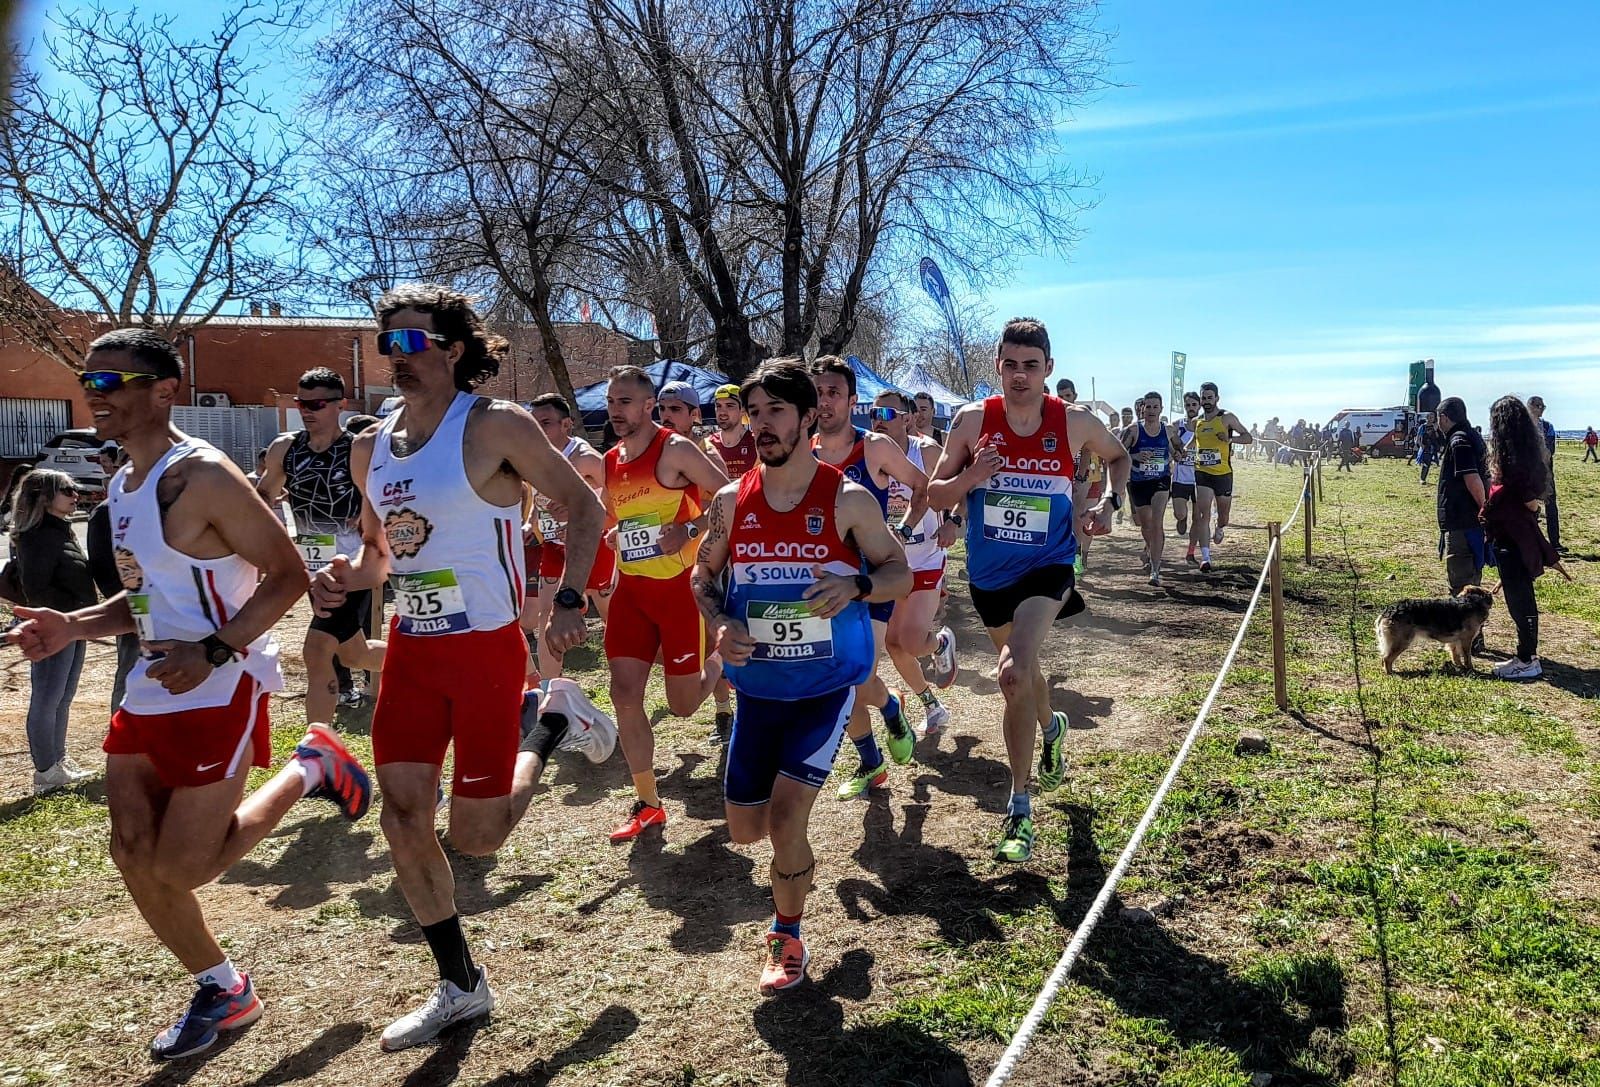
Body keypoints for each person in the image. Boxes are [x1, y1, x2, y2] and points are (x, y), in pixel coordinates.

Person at [7, 327, 372, 1060]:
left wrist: (213, 650)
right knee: (129, 849)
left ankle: (313, 765)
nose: (93, 395)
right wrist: (70, 625)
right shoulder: (120, 485)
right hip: (151, 686)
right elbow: (143, 604)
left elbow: (287, 575)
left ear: (164, 390)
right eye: (89, 380)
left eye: (111, 383)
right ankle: (223, 986)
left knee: (184, 866)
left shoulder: (201, 475)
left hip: (221, 682)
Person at [310, 285, 611, 1050]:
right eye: (388, 346)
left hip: (483, 646)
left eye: (412, 344)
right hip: (413, 647)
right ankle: (460, 984)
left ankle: (550, 721)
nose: (396, 360)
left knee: (477, 839)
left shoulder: (495, 425)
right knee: (403, 813)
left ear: (451, 348)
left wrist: (570, 593)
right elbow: (382, 557)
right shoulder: (369, 445)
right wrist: (348, 577)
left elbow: (584, 506)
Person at [691, 359, 910, 992]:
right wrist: (717, 624)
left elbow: (898, 571)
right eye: (753, 413)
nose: (761, 425)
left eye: (775, 412)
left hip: (825, 687)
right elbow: (703, 577)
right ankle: (794, 883)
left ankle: (786, 936)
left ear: (809, 417)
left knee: (787, 820)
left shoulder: (847, 499)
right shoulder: (732, 503)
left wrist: (857, 584)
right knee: (745, 828)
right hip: (757, 689)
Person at [928, 317, 1128, 863]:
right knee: (1025, 673)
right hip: (991, 575)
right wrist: (973, 476)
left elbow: (1119, 458)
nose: (1020, 376)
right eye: (1011, 365)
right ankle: (1051, 724)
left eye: (1031, 366)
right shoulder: (973, 421)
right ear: (998, 366)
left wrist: (1108, 504)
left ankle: (1019, 807)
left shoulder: (1074, 421)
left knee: (1013, 672)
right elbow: (935, 490)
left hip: (1050, 563)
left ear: (1048, 370)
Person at [601, 365, 729, 841]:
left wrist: (691, 531)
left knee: (682, 706)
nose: (616, 410)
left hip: (678, 590)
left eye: (626, 401)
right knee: (622, 693)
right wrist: (616, 536)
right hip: (633, 593)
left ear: (648, 405)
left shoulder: (674, 449)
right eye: (612, 401)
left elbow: (734, 495)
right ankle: (649, 803)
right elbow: (621, 520)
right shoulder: (611, 460)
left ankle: (720, 659)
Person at [809, 357, 927, 798]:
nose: (824, 401)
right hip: (826, 582)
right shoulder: (805, 451)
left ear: (852, 401)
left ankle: (890, 706)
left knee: (855, 678)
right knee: (844, 681)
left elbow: (921, 485)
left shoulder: (873, 447)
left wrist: (905, 529)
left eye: (834, 393)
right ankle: (871, 761)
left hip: (873, 580)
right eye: (818, 392)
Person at [256, 368, 387, 725]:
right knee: (353, 654)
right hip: (313, 568)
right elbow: (263, 495)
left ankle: (317, 746)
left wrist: (366, 512)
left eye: (317, 403)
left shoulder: (357, 449)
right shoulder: (286, 448)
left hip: (351, 567)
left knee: (316, 650)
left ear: (340, 405)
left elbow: (384, 497)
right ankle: (422, 663)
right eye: (301, 402)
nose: (307, 410)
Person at [870, 390, 959, 736]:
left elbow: (958, 488)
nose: (879, 419)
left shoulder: (926, 451)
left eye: (888, 414)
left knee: (909, 640)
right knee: (893, 644)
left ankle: (940, 643)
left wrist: (953, 520)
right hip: (889, 560)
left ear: (907, 419)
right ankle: (932, 706)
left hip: (925, 555)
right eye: (874, 413)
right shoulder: (869, 454)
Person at [657, 380, 737, 741]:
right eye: (662, 409)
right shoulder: (654, 452)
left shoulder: (706, 452)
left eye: (675, 409)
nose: (667, 416)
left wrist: (689, 531)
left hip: (705, 562)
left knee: (711, 636)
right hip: (663, 566)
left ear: (693, 415)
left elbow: (725, 505)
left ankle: (725, 714)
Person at [8, 468, 97, 793]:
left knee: (63, 696)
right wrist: (58, 618)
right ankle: (46, 771)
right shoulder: (38, 536)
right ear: (44, 497)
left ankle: (57, 761)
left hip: (71, 625)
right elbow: (36, 588)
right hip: (52, 627)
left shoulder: (60, 530)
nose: (75, 495)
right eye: (67, 489)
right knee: (47, 698)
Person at [525, 392, 615, 681]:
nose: (538, 430)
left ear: (566, 425)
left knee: (612, 618)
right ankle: (550, 693)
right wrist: (530, 524)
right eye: (533, 423)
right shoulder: (532, 459)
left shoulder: (585, 457)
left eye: (546, 423)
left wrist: (580, 514)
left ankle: (626, 680)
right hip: (554, 547)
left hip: (593, 547)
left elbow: (616, 495)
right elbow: (538, 503)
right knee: (546, 617)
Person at [1481, 395, 1565, 681]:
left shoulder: (1511, 458)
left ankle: (1527, 658)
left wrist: (1526, 505)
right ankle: (1525, 654)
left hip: (1512, 533)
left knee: (1519, 597)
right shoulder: (1528, 452)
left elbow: (1524, 495)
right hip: (1517, 531)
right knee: (1519, 594)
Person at [86, 443, 141, 711]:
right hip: (131, 612)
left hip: (171, 612)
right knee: (130, 675)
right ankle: (121, 729)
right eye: (129, 462)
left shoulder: (164, 505)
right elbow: (104, 570)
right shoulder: (106, 512)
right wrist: (134, 610)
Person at [1189, 381, 1253, 572]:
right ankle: (1206, 558)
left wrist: (1230, 439)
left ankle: (1219, 527)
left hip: (1223, 474)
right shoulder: (1196, 422)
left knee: (1224, 516)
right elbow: (1195, 442)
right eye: (1203, 398)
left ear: (1217, 398)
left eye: (1210, 397)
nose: (1206, 401)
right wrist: (1183, 451)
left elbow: (1248, 437)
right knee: (1202, 514)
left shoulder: (1227, 418)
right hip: (1202, 472)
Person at [1434, 396, 1489, 597]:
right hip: (1469, 521)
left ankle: (1469, 628)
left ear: (1443, 417)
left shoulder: (1459, 441)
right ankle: (1473, 626)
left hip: (1462, 522)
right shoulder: (1471, 436)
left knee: (1462, 585)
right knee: (1472, 579)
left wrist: (1484, 510)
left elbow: (1472, 478)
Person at [1125, 392, 1181, 586]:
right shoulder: (1133, 430)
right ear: (1142, 409)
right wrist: (1135, 455)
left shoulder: (1169, 430)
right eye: (1147, 407)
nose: (1151, 411)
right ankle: (1150, 548)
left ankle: (1156, 570)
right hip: (1138, 482)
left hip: (1161, 481)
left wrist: (1179, 454)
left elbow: (1179, 449)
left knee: (1157, 523)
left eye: (1155, 407)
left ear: (1161, 409)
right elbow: (1119, 454)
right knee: (1145, 524)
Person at [1526, 396, 1563, 553]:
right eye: (1538, 406)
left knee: (1551, 506)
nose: (1541, 409)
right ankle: (1531, 541)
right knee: (1529, 507)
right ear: (1530, 407)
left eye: (1543, 406)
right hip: (1528, 474)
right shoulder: (1523, 427)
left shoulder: (1548, 426)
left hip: (1546, 474)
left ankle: (1555, 542)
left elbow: (1550, 450)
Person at [708, 382, 760, 478]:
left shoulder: (757, 443)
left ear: (743, 410)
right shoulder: (708, 444)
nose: (722, 412)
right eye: (718, 406)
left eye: (730, 405)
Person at [1170, 391, 1200, 548]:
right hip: (1180, 477)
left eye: (1194, 405)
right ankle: (1182, 518)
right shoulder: (1176, 426)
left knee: (1198, 518)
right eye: (1188, 405)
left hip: (1200, 478)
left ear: (1199, 406)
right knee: (1179, 513)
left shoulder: (1205, 427)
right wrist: (1173, 453)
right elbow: (1169, 445)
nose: (1191, 408)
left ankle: (1191, 551)